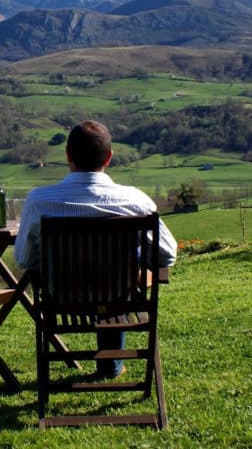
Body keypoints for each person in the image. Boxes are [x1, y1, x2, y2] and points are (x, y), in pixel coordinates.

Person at [14, 120, 177, 380]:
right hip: (119, 298)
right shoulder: (136, 200)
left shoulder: (39, 201)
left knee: (104, 273)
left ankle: (109, 364)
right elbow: (168, 253)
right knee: (121, 272)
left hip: (63, 298)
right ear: (109, 157)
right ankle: (111, 365)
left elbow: (23, 258)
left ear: (68, 156)